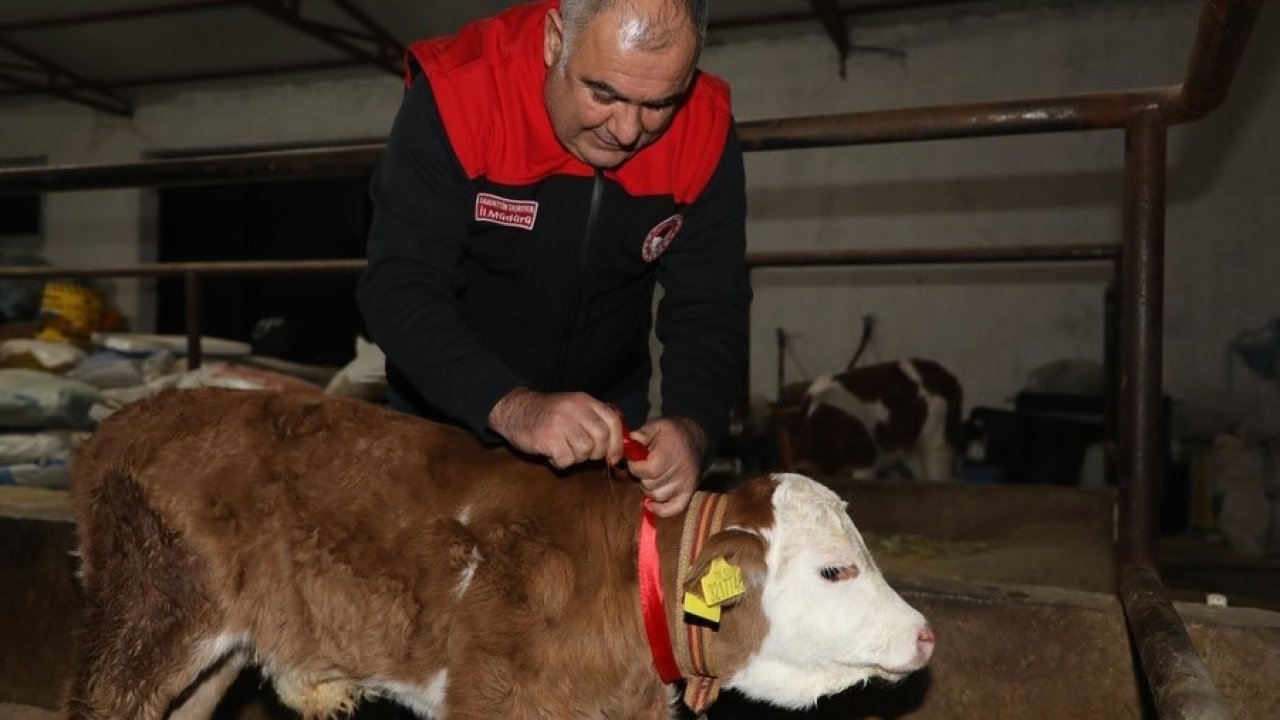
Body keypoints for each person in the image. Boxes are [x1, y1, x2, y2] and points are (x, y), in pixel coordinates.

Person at [358, 0, 749, 518]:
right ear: (554, 39)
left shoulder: (705, 129)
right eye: (603, 93)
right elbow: (399, 286)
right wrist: (511, 406)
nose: (628, 131)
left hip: (604, 426)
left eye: (659, 103)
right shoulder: (460, 94)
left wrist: (694, 427)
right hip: (447, 412)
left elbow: (710, 305)